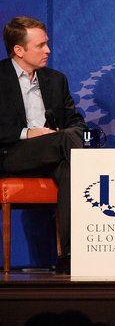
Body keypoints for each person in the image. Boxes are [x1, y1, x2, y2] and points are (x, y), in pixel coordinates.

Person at [0, 16, 85, 274]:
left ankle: (70, 256)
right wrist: (30, 133)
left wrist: (59, 135)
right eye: (41, 46)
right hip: (11, 154)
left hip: (56, 151)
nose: (48, 50)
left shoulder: (55, 79)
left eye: (46, 44)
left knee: (70, 166)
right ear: (19, 50)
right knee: (68, 143)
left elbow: (77, 123)